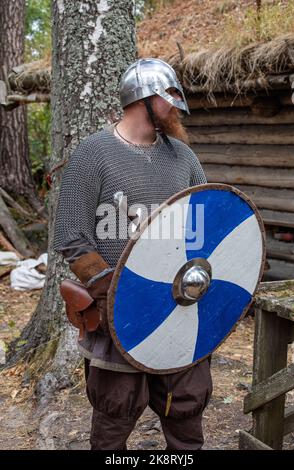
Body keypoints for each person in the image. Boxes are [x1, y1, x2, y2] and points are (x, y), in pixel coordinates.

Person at [53, 58, 213, 450]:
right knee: (115, 410)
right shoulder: (94, 154)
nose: (175, 103)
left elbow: (206, 229)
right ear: (142, 98)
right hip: (118, 311)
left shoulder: (184, 158)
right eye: (168, 94)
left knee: (186, 405)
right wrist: (113, 291)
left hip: (178, 309)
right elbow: (72, 236)